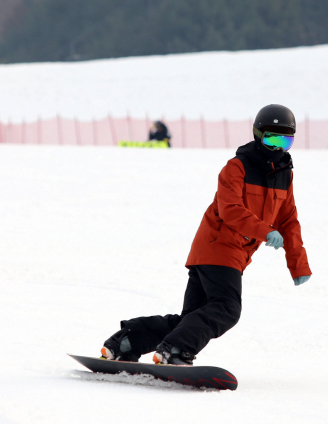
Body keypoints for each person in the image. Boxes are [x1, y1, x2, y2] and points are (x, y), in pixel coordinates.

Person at [101, 104, 312, 365]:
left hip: (224, 252)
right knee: (227, 308)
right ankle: (176, 349)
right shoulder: (237, 167)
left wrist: (298, 263)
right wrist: (265, 231)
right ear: (258, 135)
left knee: (191, 318)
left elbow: (289, 219)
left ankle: (126, 342)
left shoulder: (284, 175)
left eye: (285, 140)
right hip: (220, 246)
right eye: (272, 138)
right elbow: (230, 209)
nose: (278, 146)